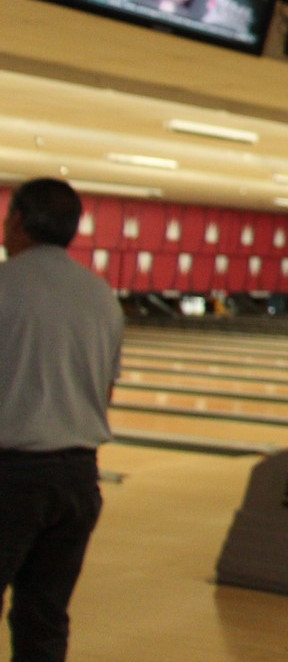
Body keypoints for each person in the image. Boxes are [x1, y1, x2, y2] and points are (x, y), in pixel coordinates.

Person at [0, 179, 124, 662]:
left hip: (11, 476)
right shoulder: (101, 296)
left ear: (17, 221)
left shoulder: (4, 284)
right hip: (77, 480)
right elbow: (105, 391)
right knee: (45, 618)